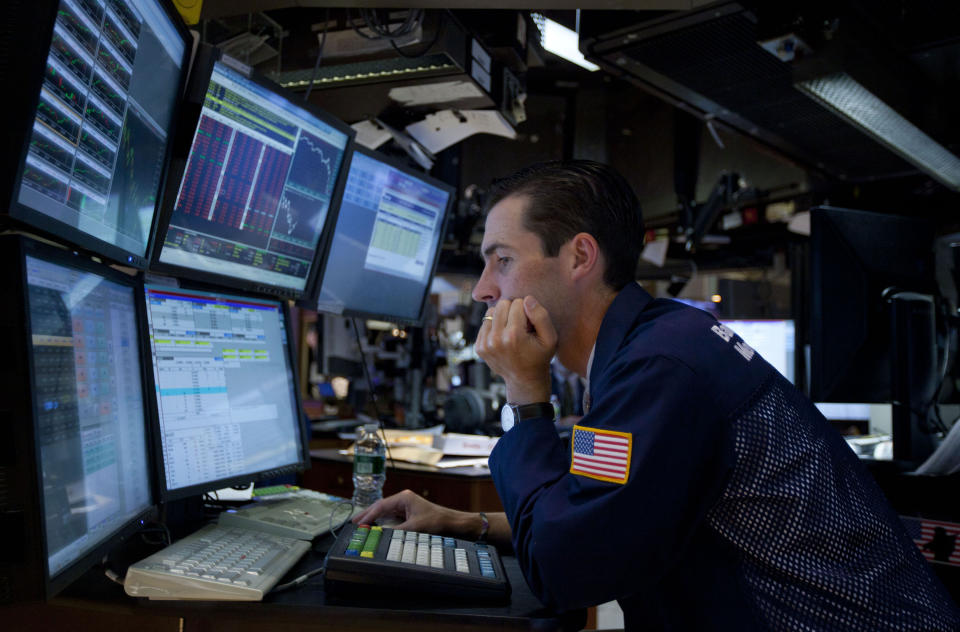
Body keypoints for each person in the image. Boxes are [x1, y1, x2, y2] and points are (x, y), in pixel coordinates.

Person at [354, 161, 959, 630]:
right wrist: (471, 523)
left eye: (502, 261)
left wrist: (525, 393)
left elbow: (566, 569)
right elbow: (605, 516)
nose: (485, 289)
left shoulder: (659, 369)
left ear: (580, 257)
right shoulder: (654, 344)